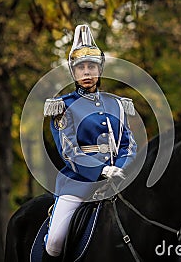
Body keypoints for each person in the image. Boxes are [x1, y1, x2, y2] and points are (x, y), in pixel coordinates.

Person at [42, 24, 137, 261]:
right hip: (78, 183)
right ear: (73, 73)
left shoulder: (117, 104)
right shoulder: (64, 105)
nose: (86, 72)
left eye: (91, 67)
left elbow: (129, 145)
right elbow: (69, 151)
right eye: (81, 68)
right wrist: (102, 170)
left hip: (119, 181)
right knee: (54, 241)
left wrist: (122, 169)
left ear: (100, 70)